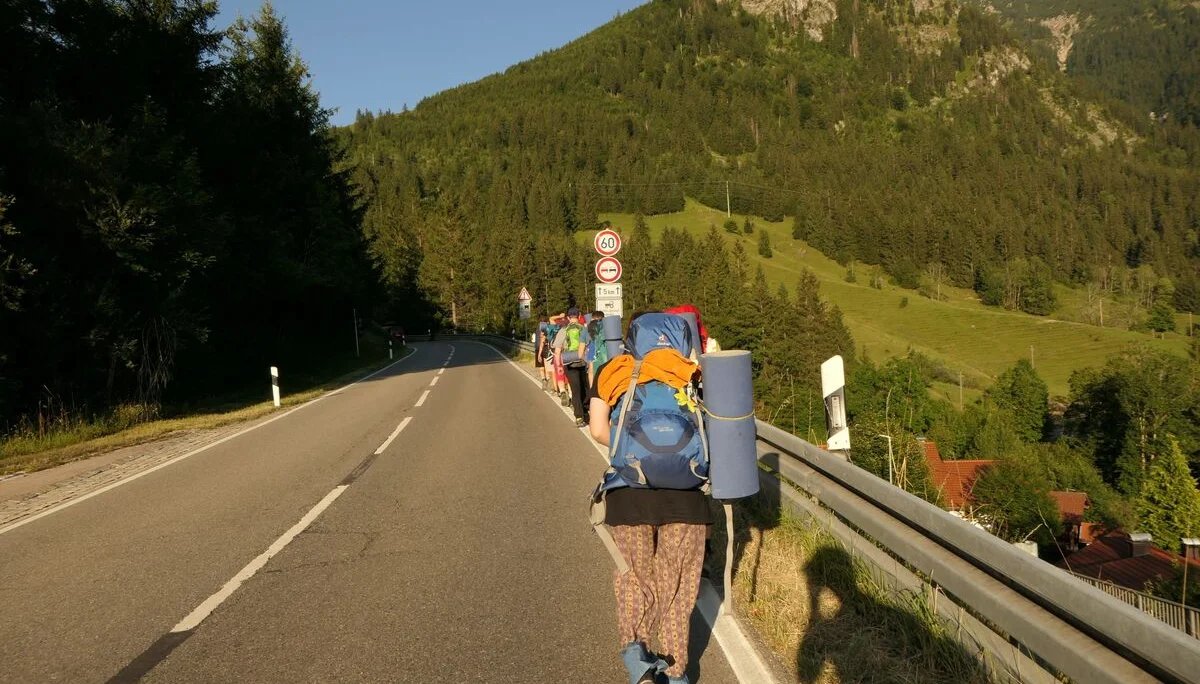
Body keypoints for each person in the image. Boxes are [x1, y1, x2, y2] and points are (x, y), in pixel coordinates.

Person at [587, 312, 710, 684]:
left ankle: (639, 665)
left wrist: (633, 452)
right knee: (676, 587)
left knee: (634, 580)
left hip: (628, 496)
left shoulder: (613, 369)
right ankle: (674, 671)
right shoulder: (693, 370)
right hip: (687, 499)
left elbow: (597, 430)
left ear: (631, 339)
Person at [553, 307, 592, 427]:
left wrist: (559, 365)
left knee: (575, 390)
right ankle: (586, 413)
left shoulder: (563, 330)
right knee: (585, 388)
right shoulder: (584, 329)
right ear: (579, 315)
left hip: (568, 362)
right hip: (583, 361)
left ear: (568, 317)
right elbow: (590, 346)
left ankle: (579, 417)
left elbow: (558, 350)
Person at [585, 310, 605, 387]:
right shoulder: (607, 328)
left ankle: (592, 389)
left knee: (591, 369)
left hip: (593, 346)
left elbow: (591, 370)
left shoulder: (591, 327)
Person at [534, 315, 550, 389]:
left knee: (541, 366)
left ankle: (543, 379)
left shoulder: (537, 328)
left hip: (537, 348)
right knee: (546, 366)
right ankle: (547, 380)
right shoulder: (546, 328)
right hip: (545, 348)